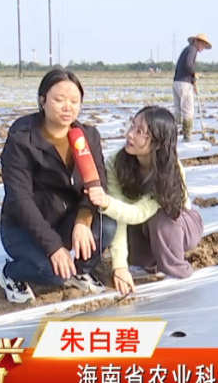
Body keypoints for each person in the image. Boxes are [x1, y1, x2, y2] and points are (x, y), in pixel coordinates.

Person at [0, 68, 117, 303]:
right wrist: (54, 247)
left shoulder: (87, 137)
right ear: (43, 100)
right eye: (59, 100)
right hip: (24, 227)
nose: (67, 107)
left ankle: (80, 271)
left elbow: (97, 183)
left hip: (67, 218)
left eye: (74, 101)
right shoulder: (22, 138)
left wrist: (83, 220)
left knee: (107, 224)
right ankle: (10, 274)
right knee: (53, 274)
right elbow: (20, 200)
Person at [86, 106, 203, 295]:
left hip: (180, 225)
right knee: (115, 219)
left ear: (158, 142)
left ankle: (176, 270)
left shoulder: (171, 169)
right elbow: (121, 217)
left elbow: (139, 213)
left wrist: (106, 203)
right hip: (142, 226)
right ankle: (145, 263)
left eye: (139, 132)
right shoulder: (116, 162)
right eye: (132, 126)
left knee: (160, 216)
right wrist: (120, 266)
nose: (130, 134)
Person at [173, 33, 212, 141]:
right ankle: (187, 136)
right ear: (196, 41)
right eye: (202, 44)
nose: (202, 47)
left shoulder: (187, 49)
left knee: (178, 110)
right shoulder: (192, 49)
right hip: (184, 83)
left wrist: (192, 80)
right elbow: (188, 65)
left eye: (204, 45)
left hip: (177, 82)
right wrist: (193, 74)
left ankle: (172, 134)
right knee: (188, 110)